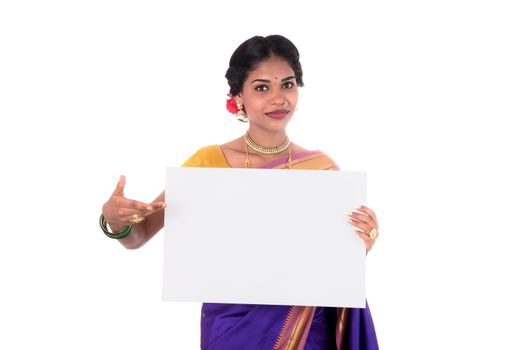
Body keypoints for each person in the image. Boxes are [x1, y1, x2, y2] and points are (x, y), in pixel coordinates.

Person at [100, 34, 380, 349]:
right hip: (230, 330)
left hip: (305, 332)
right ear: (239, 96)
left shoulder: (322, 169)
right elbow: (138, 236)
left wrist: (360, 243)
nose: (278, 98)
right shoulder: (207, 164)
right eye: (262, 87)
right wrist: (114, 219)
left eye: (287, 84)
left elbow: (333, 264)